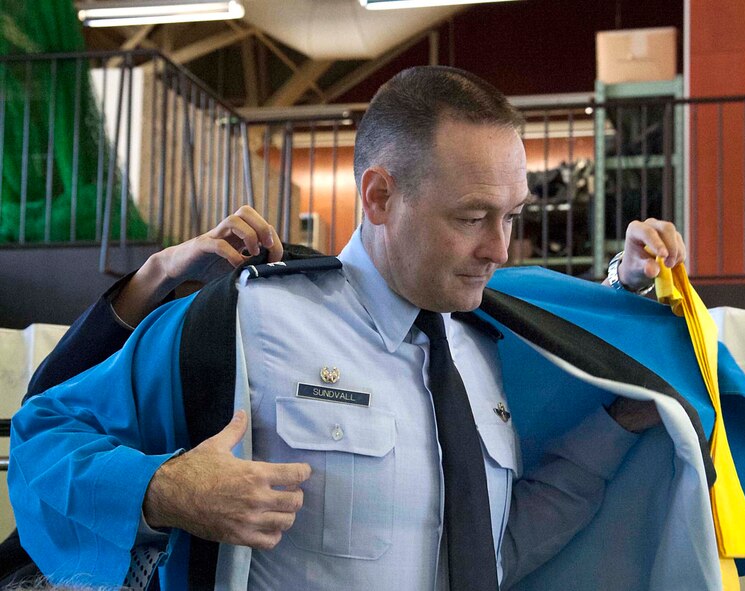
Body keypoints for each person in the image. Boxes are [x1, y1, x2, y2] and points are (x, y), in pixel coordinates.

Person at [7, 66, 705, 591]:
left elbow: (496, 548)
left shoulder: (486, 339)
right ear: (378, 195)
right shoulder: (242, 322)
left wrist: (619, 408)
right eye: (470, 217)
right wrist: (162, 489)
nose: (499, 247)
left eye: (512, 216)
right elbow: (43, 439)